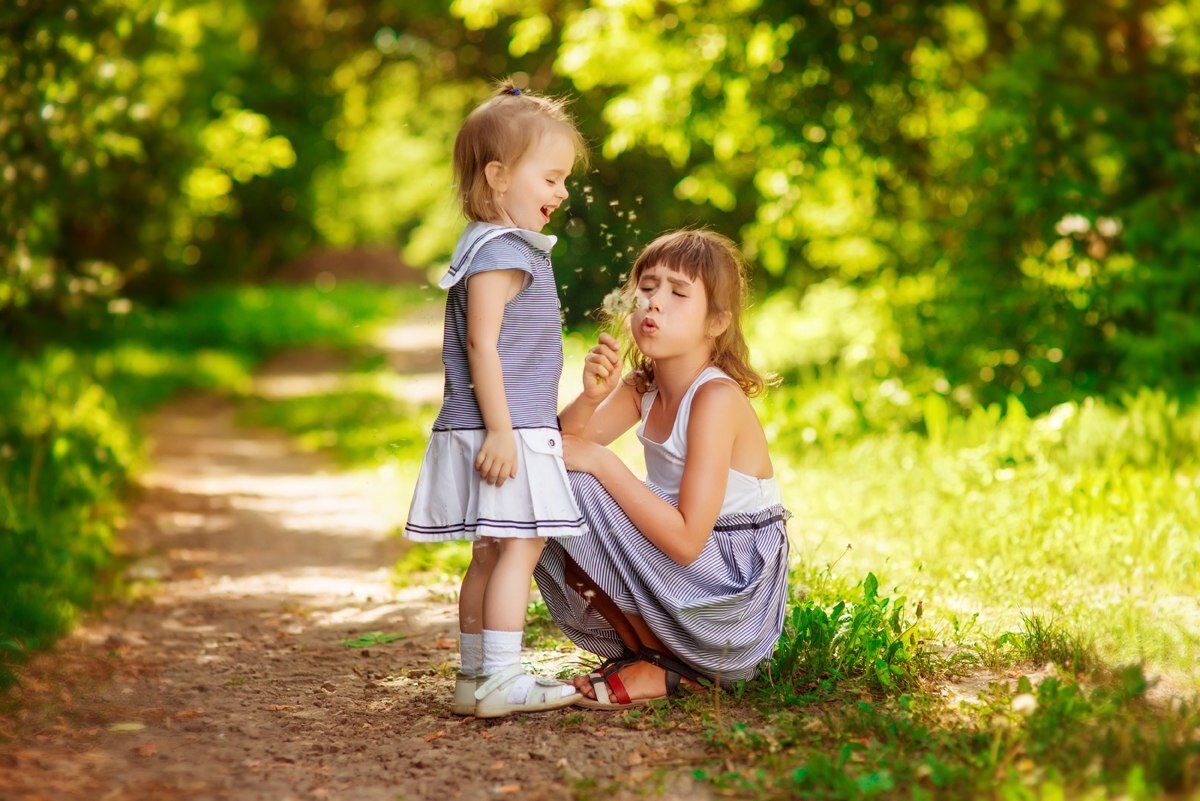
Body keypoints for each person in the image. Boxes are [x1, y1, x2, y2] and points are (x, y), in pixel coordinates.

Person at [534, 229, 791, 708]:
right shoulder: (642, 386)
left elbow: (689, 539)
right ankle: (647, 654)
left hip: (728, 593)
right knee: (553, 485)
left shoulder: (715, 398)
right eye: (647, 288)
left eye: (677, 293)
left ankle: (670, 662)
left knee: (585, 484)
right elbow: (554, 451)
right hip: (687, 569)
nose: (655, 303)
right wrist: (590, 398)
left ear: (716, 322)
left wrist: (604, 461)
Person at [403, 80, 588, 719]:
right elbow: (482, 346)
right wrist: (505, 432)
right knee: (522, 546)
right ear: (499, 175)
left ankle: (475, 675)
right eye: (551, 178)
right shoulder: (502, 252)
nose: (561, 193)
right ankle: (503, 677)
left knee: (489, 551)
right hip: (501, 427)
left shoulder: (483, 244)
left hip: (487, 426)